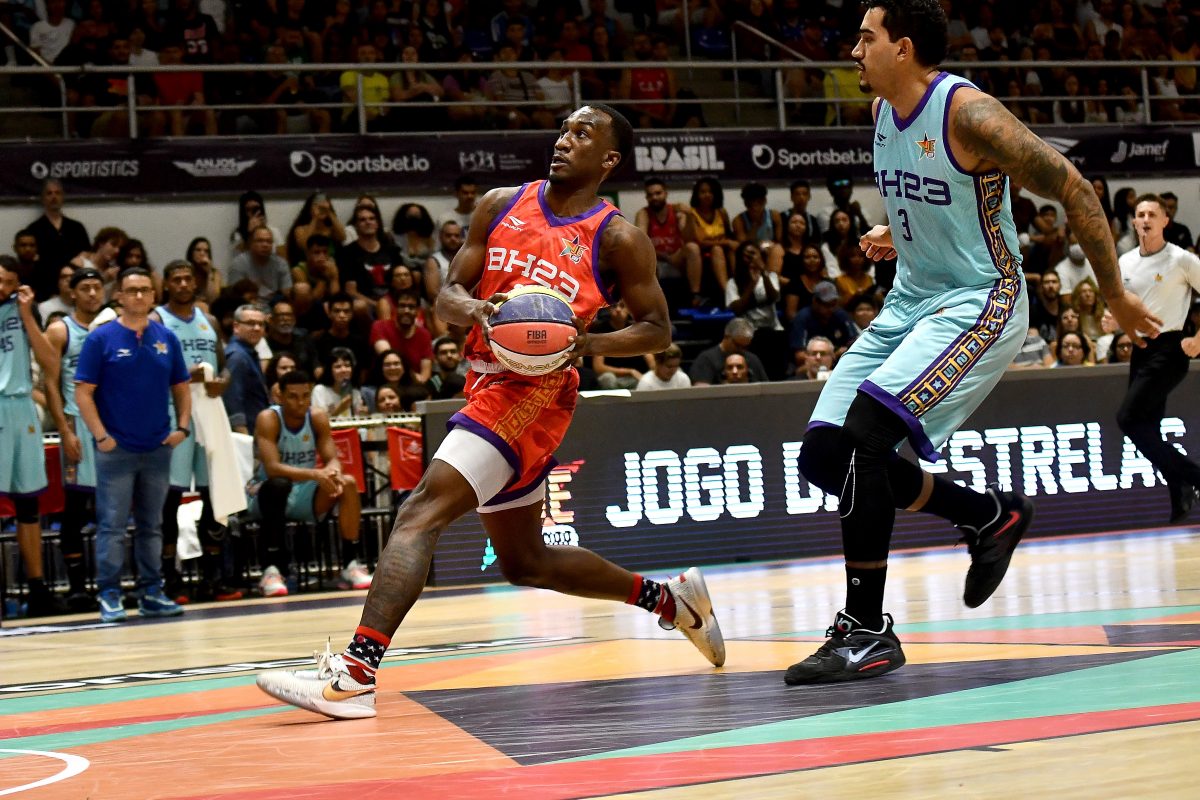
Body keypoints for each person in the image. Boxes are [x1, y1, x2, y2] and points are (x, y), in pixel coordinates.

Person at [256, 104, 724, 720]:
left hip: (534, 393)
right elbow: (448, 295)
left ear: (609, 159)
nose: (564, 140)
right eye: (563, 129)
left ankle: (355, 675)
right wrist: (476, 310)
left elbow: (657, 329)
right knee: (526, 562)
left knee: (418, 513)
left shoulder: (618, 238)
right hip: (483, 381)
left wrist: (585, 343)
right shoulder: (501, 204)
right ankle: (671, 601)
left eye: (582, 134)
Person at [786, 0, 1159, 687]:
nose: (853, 51)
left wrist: (1113, 294)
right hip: (910, 301)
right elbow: (937, 199)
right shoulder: (882, 112)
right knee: (823, 455)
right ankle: (988, 516)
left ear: (903, 48)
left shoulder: (970, 115)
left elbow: (1075, 189)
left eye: (865, 38)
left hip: (981, 298)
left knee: (867, 433)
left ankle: (866, 631)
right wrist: (899, 233)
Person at [74, 267, 192, 623]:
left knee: (152, 524)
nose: (139, 296)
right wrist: (101, 436)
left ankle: (151, 592)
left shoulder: (166, 338)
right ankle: (109, 594)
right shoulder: (101, 338)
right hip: (116, 450)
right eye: (132, 290)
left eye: (145, 290)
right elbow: (83, 393)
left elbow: (182, 386)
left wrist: (182, 427)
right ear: (119, 296)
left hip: (158, 446)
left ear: (154, 295)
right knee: (111, 524)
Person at [151, 260, 241, 603]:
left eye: (188, 279)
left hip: (210, 414)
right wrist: (186, 373)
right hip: (174, 413)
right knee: (171, 498)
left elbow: (225, 366)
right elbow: (151, 367)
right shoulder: (158, 320)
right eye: (176, 279)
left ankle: (211, 577)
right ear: (167, 285)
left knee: (213, 492)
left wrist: (222, 382)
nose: (183, 284)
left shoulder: (209, 320)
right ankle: (170, 578)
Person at [1113, 194, 1200, 523]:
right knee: (1147, 428)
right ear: (1134, 221)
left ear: (1166, 221)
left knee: (1128, 419)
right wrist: (1113, 320)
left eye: (1152, 214)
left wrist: (1198, 339)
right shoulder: (1125, 262)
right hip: (1141, 349)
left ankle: (1192, 478)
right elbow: (1123, 306)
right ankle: (1180, 490)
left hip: (1170, 349)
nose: (1146, 219)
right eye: (1141, 214)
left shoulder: (1181, 259)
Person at [247, 369, 370, 596]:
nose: (301, 402)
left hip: (304, 492)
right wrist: (316, 475)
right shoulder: (268, 418)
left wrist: (333, 473)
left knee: (348, 482)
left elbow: (332, 458)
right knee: (279, 484)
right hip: (267, 494)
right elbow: (272, 468)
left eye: (305, 396)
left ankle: (350, 564)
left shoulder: (317, 417)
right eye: (293, 396)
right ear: (280, 396)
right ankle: (271, 570)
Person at [0, 260, 64, 616]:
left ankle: (37, 589)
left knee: (28, 503)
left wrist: (26, 315)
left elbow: (50, 363)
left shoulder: (26, 309)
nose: (3, 288)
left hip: (22, 406)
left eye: (9, 283)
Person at [42, 267, 105, 610]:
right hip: (78, 424)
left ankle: (110, 584)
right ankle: (78, 587)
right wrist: (64, 431)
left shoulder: (115, 327)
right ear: (72, 293)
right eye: (85, 288)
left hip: (113, 426)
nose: (92, 293)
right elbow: (50, 385)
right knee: (75, 509)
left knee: (113, 510)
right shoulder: (60, 330)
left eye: (97, 287)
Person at [635, 176, 701, 310]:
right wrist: (666, 258)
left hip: (677, 258)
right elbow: (641, 244)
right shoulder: (644, 214)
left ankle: (695, 296)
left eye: (658, 193)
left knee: (692, 248)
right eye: (650, 195)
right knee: (646, 259)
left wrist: (689, 216)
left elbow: (688, 238)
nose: (654, 197)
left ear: (666, 193)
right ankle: (654, 305)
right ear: (646, 197)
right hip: (657, 260)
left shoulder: (677, 211)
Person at [26, 181, 89, 302]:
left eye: (57, 193)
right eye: (49, 193)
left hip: (76, 292)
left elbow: (87, 256)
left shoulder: (76, 228)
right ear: (43, 198)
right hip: (46, 293)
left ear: (63, 196)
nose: (54, 197)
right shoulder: (33, 230)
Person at [222, 304, 271, 435]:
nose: (257, 328)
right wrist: (244, 436)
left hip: (256, 428)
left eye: (261, 324)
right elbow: (233, 399)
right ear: (236, 327)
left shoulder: (247, 353)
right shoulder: (238, 357)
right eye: (251, 323)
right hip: (246, 432)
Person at [369, 289, 433, 383]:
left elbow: (425, 376)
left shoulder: (424, 335)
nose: (406, 311)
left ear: (418, 311)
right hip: (382, 384)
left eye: (411, 307)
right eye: (402, 306)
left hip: (412, 385)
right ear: (395, 308)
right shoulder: (380, 326)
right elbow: (389, 359)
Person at [689, 318, 769, 386]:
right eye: (737, 345)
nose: (741, 350)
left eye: (745, 347)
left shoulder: (753, 359)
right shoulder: (706, 359)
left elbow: (766, 389)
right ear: (726, 337)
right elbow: (701, 392)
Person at [228, 226, 292, 301]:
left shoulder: (281, 263)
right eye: (260, 241)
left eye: (269, 241)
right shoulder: (238, 263)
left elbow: (287, 293)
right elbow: (235, 296)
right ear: (250, 243)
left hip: (275, 304)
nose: (265, 245)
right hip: (247, 304)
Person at [312, 347, 368, 418]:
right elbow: (319, 421)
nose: (343, 370)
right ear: (330, 370)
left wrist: (363, 414)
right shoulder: (320, 390)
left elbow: (359, 419)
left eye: (347, 366)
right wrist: (339, 409)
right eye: (338, 367)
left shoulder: (355, 392)